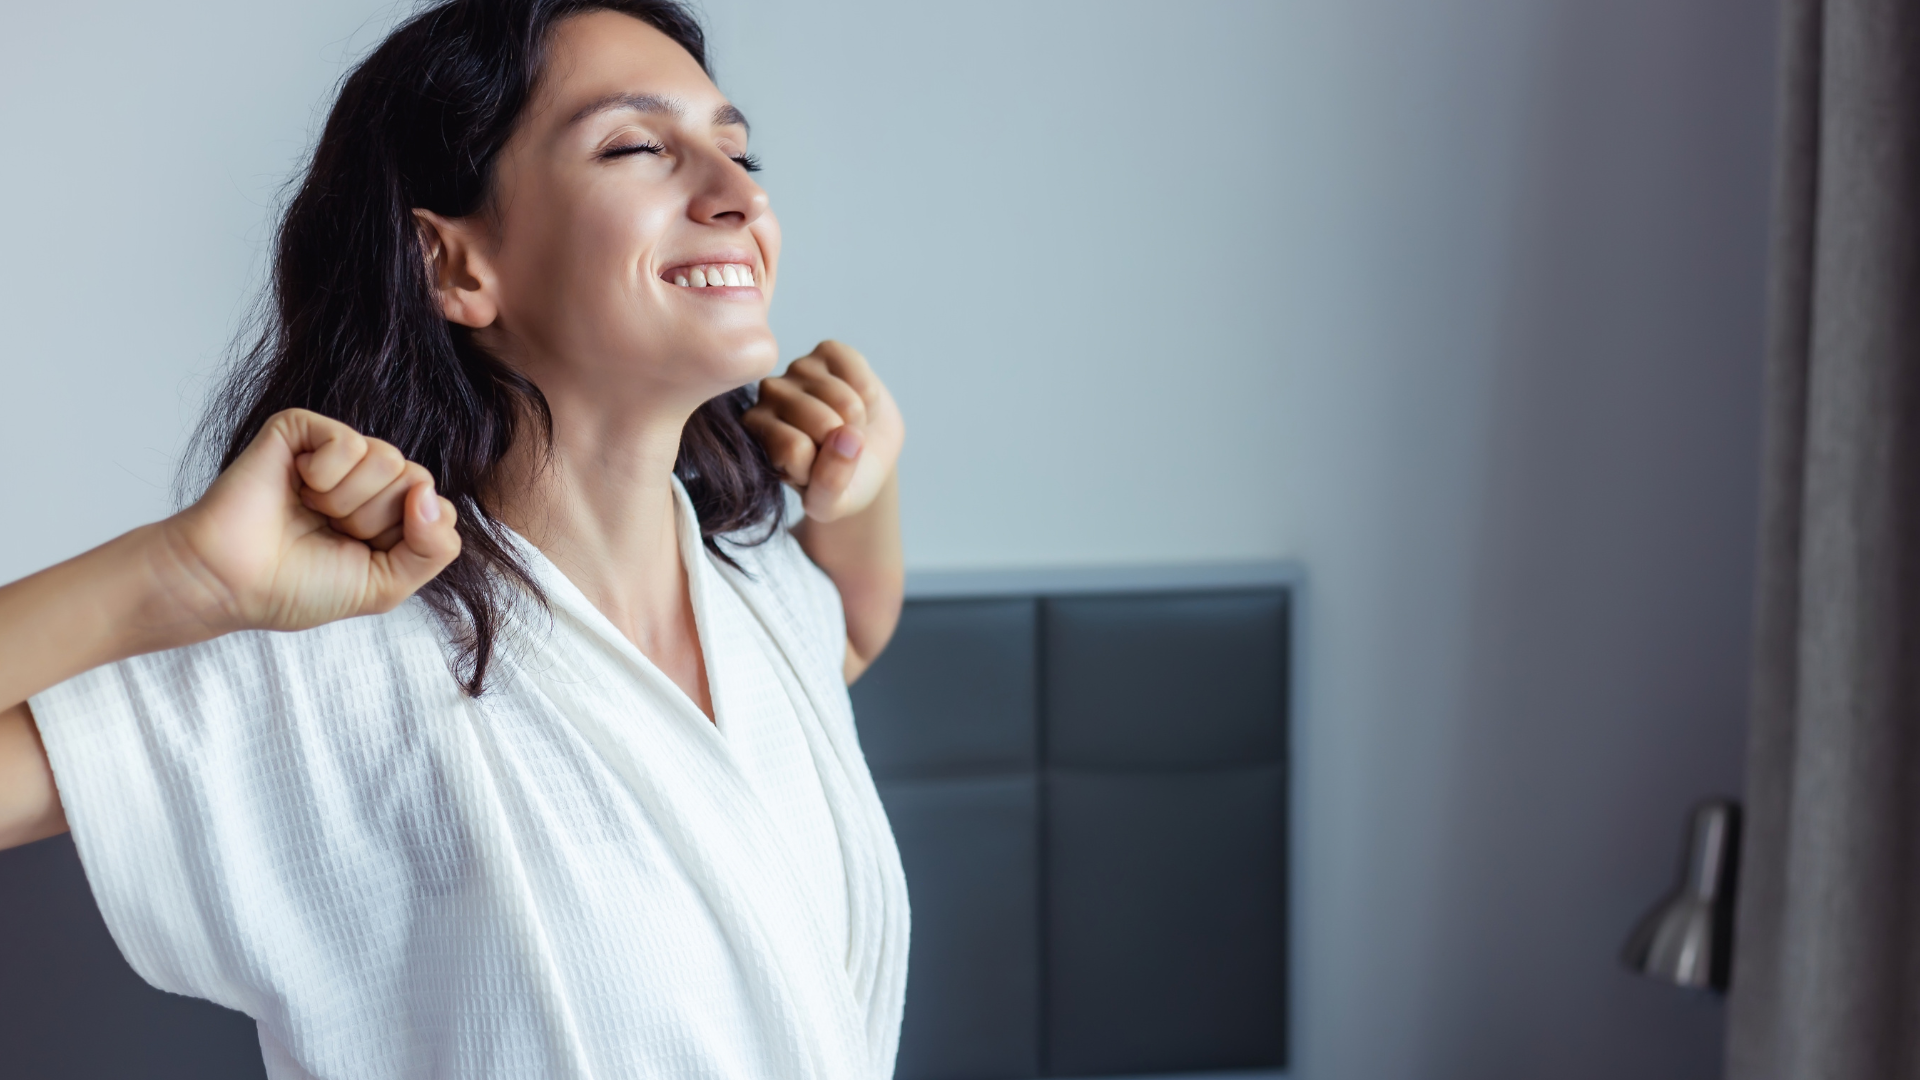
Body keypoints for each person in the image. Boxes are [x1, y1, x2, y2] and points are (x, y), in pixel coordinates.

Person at [0, 1, 910, 1077]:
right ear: (454, 265)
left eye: (738, 148)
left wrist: (863, 494)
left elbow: (851, 627)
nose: (740, 195)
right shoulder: (337, 660)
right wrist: (179, 575)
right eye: (635, 146)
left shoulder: (757, 596)